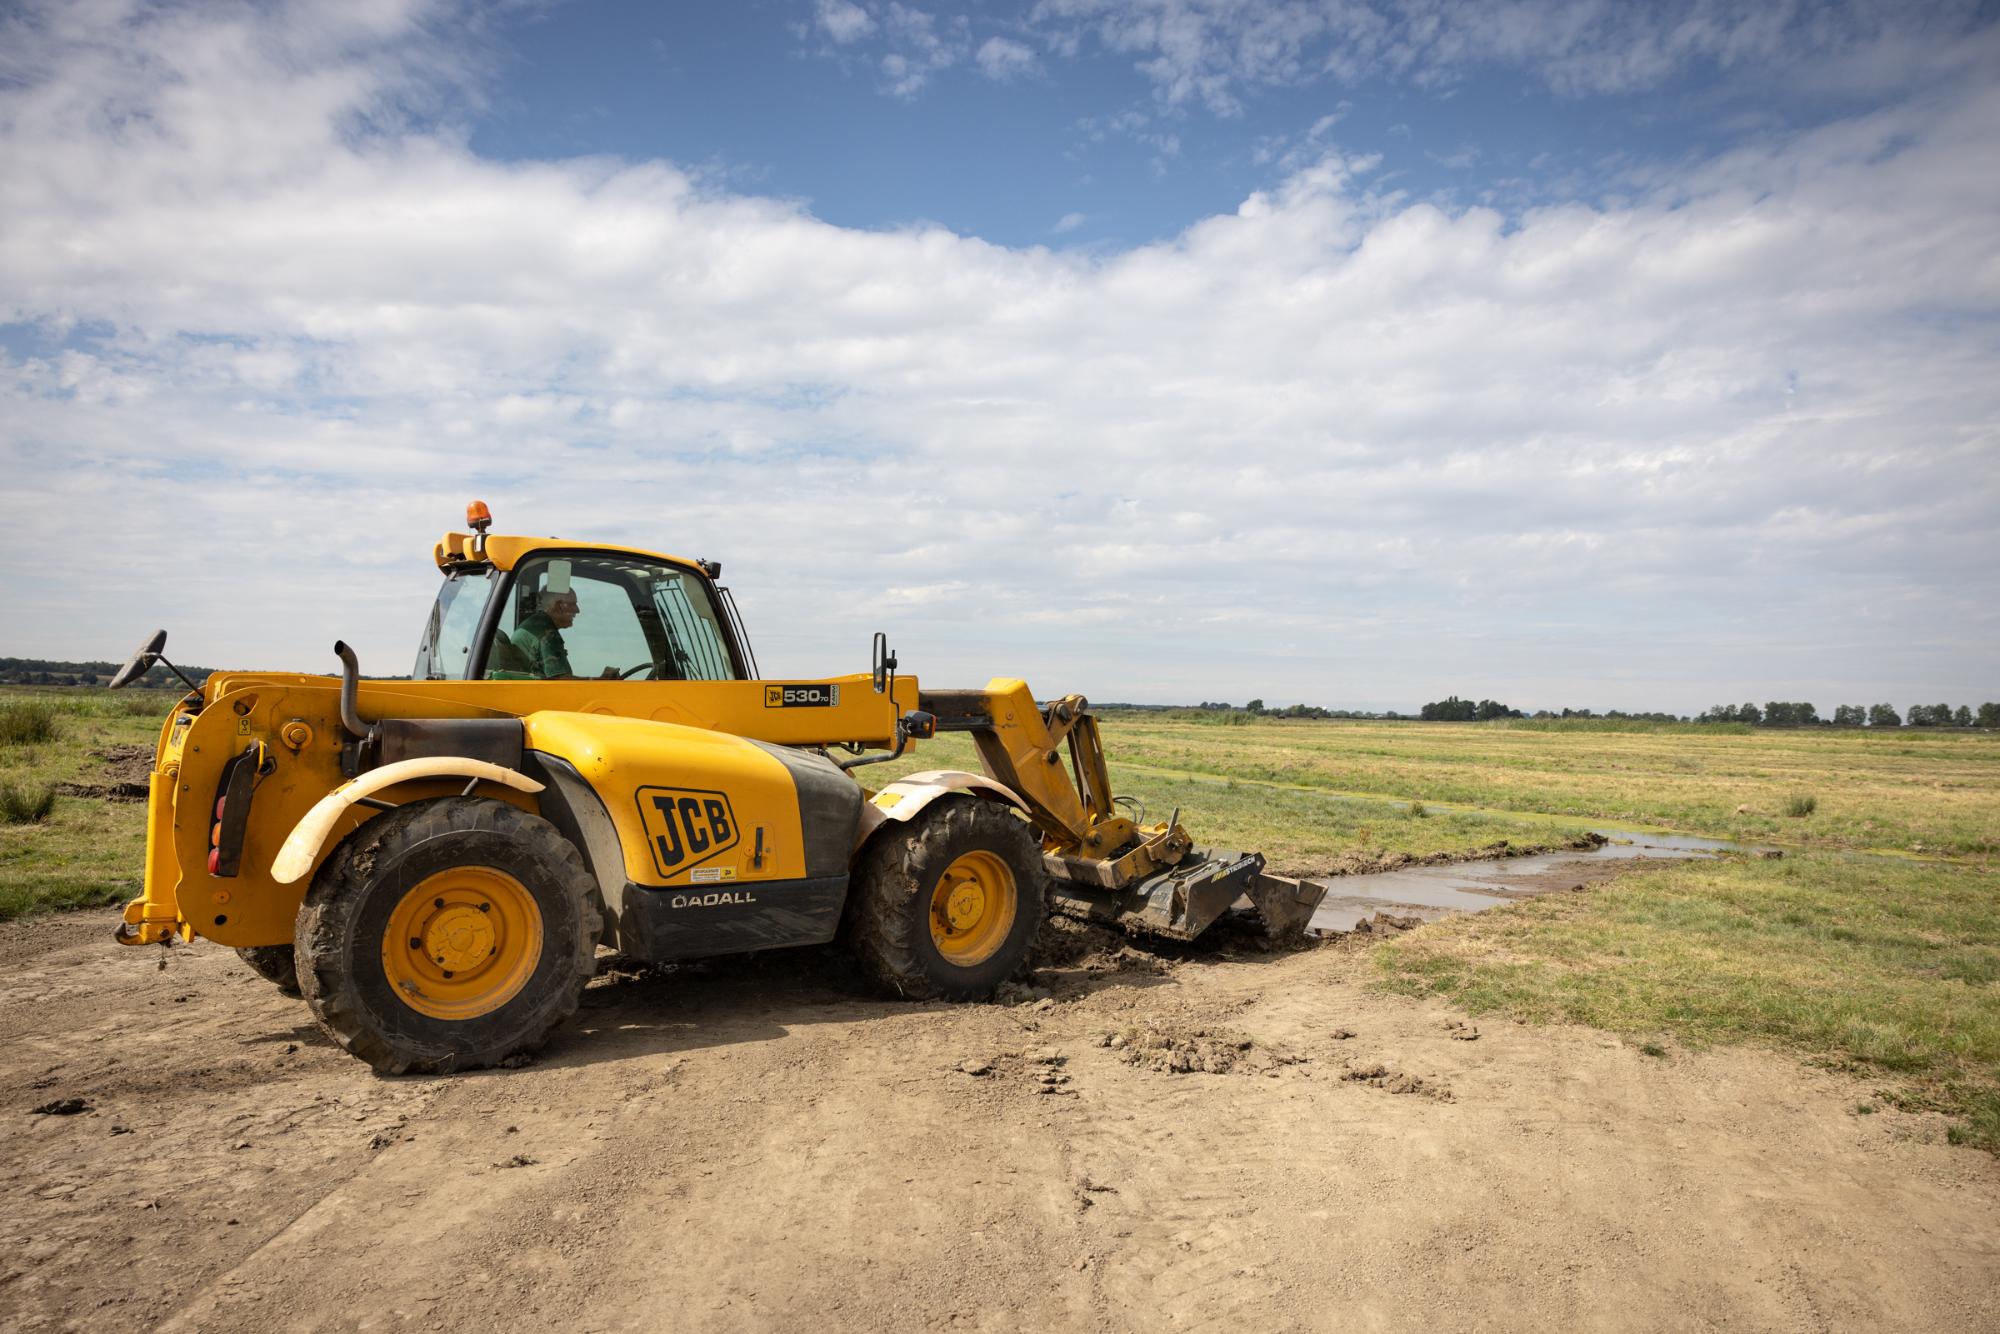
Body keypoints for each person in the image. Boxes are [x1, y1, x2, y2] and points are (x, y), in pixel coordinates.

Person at [510, 587, 580, 679]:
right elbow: (562, 683)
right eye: (572, 604)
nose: (577, 610)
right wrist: (597, 680)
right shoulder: (547, 634)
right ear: (558, 606)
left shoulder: (537, 625)